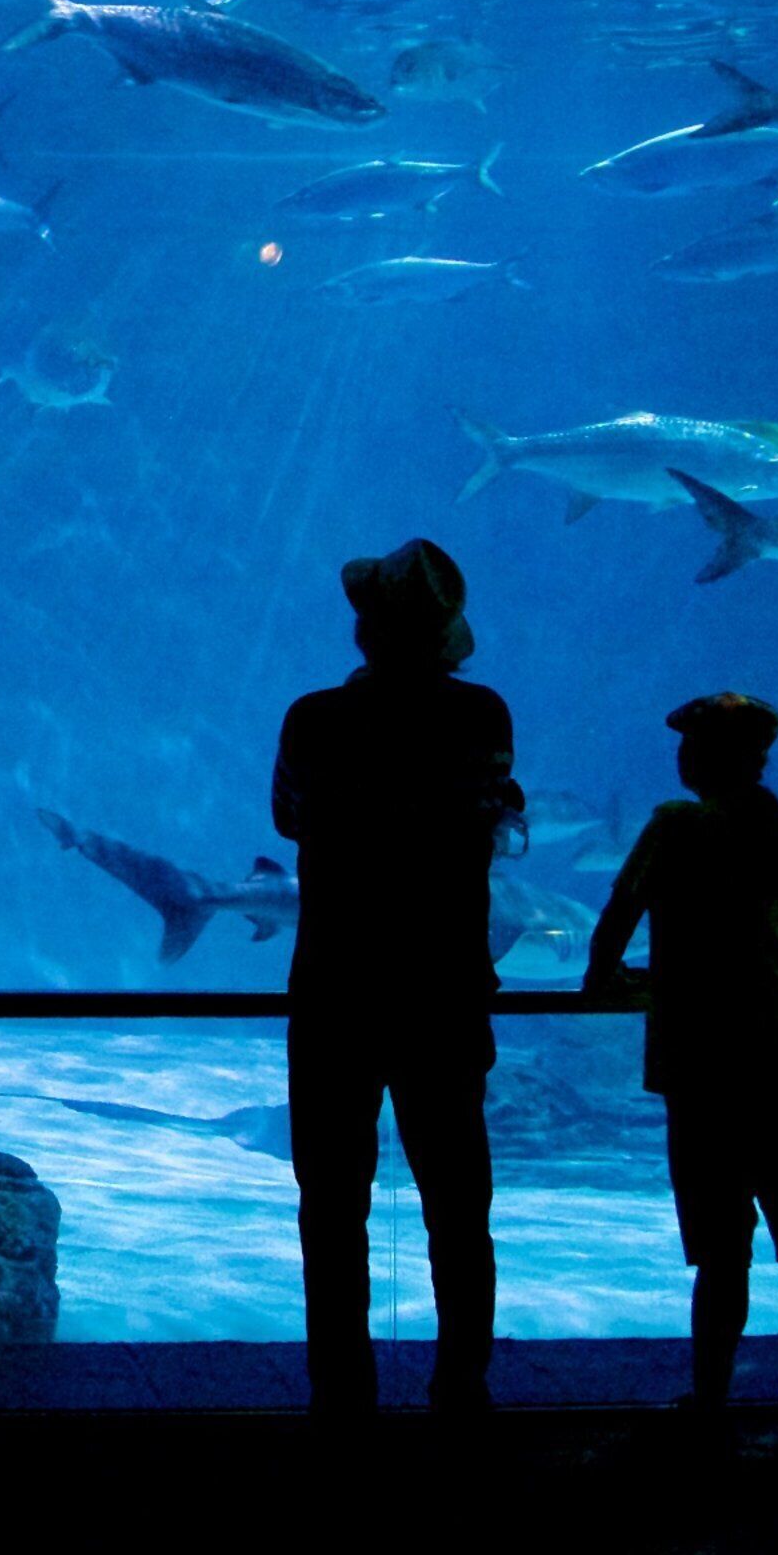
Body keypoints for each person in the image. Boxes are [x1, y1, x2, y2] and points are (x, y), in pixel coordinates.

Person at [272, 538, 516, 1416]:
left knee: (331, 1208)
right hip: (444, 990)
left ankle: (341, 1392)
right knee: (458, 1204)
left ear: (365, 630)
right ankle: (462, 1386)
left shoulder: (314, 720)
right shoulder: (483, 717)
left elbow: (289, 818)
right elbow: (488, 810)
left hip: (336, 988)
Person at [584, 692, 778, 1442]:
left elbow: (614, 922)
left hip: (708, 1077)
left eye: (691, 744)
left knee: (722, 1254)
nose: (680, 757)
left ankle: (710, 1403)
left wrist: (612, 978)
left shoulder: (677, 824)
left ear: (709, 757)